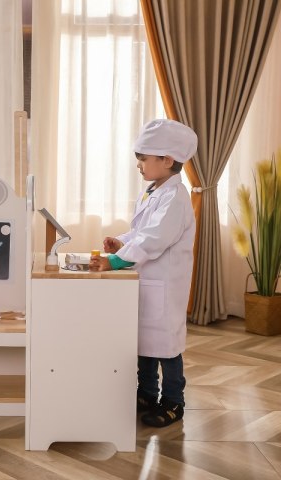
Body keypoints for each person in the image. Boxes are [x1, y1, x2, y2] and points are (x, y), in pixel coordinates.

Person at [89, 119, 197, 427]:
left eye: (143, 158)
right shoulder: (152, 191)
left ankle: (174, 401)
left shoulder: (176, 198)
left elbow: (154, 239)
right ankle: (147, 393)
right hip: (148, 281)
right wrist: (120, 241)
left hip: (165, 284)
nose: (138, 164)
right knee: (145, 341)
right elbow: (140, 232)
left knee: (166, 346)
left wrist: (115, 261)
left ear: (167, 160)